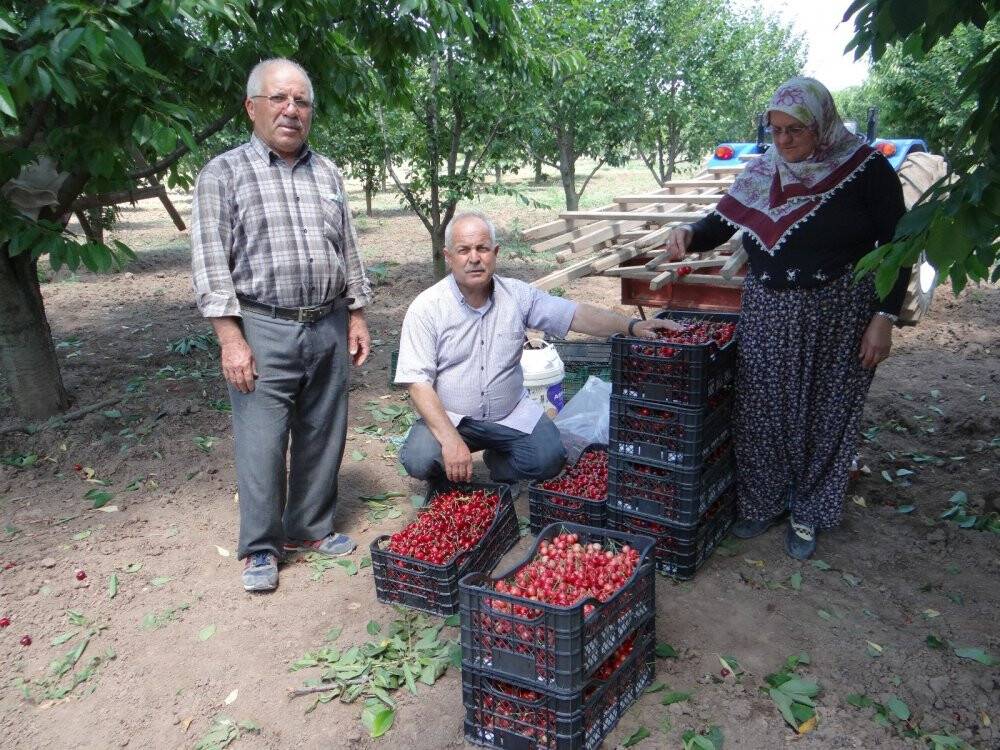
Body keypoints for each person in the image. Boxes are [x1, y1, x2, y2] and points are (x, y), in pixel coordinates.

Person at [662, 77, 908, 560]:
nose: (783, 141)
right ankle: (765, 501)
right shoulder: (762, 171)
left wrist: (884, 317)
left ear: (822, 125)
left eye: (794, 129)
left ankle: (809, 511)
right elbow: (722, 222)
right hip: (769, 310)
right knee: (761, 410)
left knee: (825, 411)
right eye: (775, 130)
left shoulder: (866, 169)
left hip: (839, 314)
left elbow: (898, 247)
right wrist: (689, 232)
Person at [190, 58, 372, 592]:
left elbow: (349, 249)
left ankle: (310, 528)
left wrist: (356, 312)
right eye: (279, 99)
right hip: (263, 325)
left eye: (302, 101)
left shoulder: (329, 173)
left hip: (328, 321)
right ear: (252, 107)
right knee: (262, 440)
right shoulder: (222, 173)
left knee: (323, 428)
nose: (292, 110)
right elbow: (209, 260)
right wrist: (230, 338)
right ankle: (262, 549)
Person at [394, 211, 678, 486]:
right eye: (463, 250)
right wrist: (451, 440)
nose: (474, 258)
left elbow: (575, 315)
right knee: (419, 458)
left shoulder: (517, 295)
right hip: (453, 417)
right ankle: (449, 475)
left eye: (482, 248)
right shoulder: (427, 308)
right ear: (448, 257)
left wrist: (631, 326)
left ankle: (499, 463)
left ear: (495, 252)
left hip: (509, 414)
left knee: (549, 459)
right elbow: (418, 382)